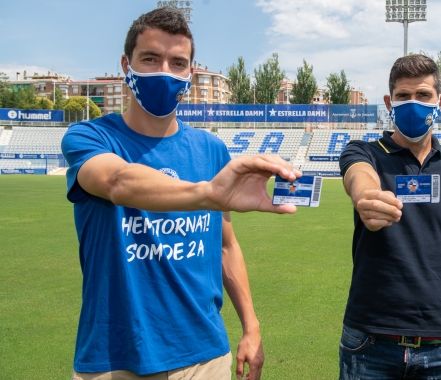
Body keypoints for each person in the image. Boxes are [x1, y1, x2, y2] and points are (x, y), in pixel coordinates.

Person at [62, 8, 301, 380]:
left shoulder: (210, 149)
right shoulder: (90, 137)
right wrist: (206, 193)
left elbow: (225, 245)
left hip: (204, 356)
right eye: (150, 59)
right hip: (114, 357)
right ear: (127, 65)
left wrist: (251, 327)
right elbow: (117, 182)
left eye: (177, 63)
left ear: (190, 73)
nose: (164, 73)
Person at [337, 54, 441, 379]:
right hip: (368, 340)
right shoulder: (364, 152)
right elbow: (359, 177)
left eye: (423, 95)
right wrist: (367, 197)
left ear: (440, 101)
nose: (412, 103)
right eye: (403, 96)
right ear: (389, 102)